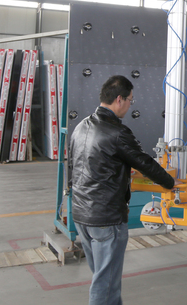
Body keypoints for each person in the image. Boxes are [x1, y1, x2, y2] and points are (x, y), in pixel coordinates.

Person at [69, 75, 175, 305]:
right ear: (119, 99)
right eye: (130, 100)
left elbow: (74, 165)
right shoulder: (117, 132)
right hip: (106, 218)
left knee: (102, 278)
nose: (130, 105)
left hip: (81, 215)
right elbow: (144, 162)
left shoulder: (80, 127)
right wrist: (170, 183)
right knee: (105, 284)